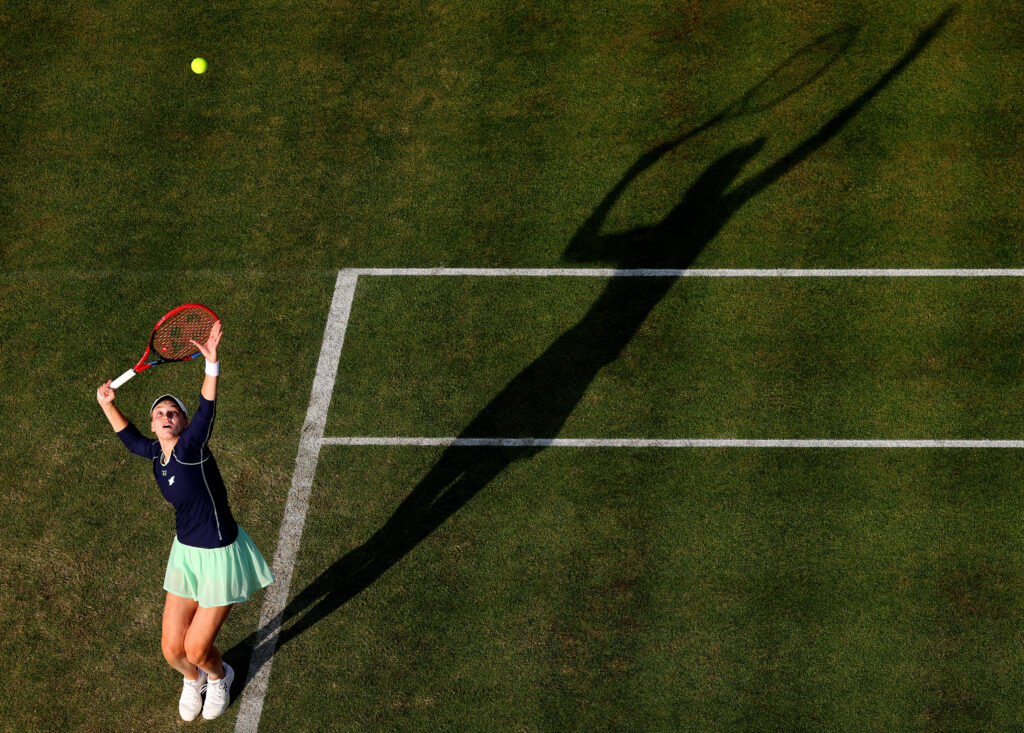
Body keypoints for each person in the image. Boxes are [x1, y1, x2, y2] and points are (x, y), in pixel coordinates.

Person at [96, 320, 274, 722]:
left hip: (220, 556)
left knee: (197, 649)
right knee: (173, 651)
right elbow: (130, 438)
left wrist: (211, 367)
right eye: (159, 413)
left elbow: (206, 413)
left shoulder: (191, 449)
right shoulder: (155, 454)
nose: (165, 417)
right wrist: (108, 403)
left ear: (181, 423)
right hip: (187, 556)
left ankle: (218, 674)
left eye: (172, 413)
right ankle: (192, 679)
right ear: (154, 423)